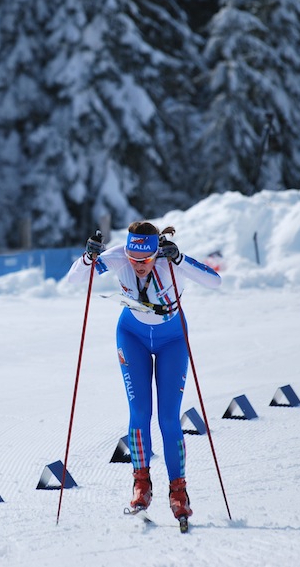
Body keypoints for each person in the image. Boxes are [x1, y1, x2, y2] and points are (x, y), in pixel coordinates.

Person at [66, 221, 222, 527]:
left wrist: (180, 258)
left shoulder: (169, 261)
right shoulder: (119, 256)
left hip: (172, 340)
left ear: (155, 253)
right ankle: (141, 483)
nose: (139, 266)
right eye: (134, 260)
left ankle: (179, 490)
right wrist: (89, 257)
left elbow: (215, 281)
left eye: (146, 260)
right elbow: (74, 280)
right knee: (139, 411)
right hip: (132, 335)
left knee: (167, 418)